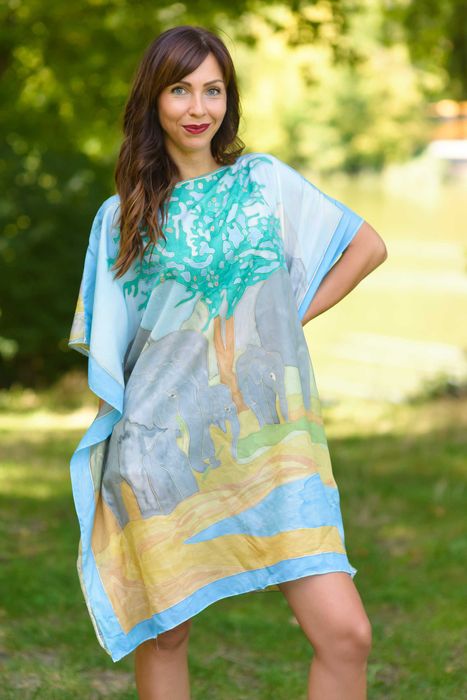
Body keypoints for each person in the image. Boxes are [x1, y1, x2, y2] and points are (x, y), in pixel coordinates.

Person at [68, 24, 387, 700]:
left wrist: (277, 324)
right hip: (158, 447)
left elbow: (366, 247)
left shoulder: (263, 182)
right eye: (180, 90)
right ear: (153, 100)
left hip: (279, 444)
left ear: (228, 100)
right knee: (165, 634)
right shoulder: (122, 217)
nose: (197, 108)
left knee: (346, 635)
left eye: (212, 91)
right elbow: (112, 354)